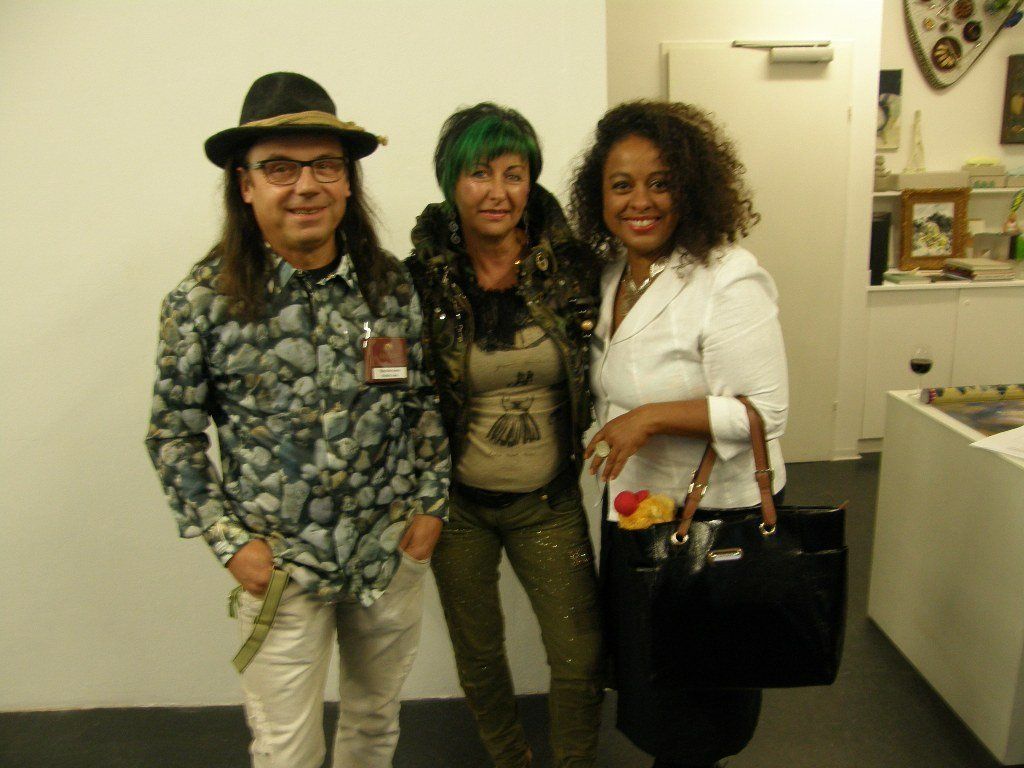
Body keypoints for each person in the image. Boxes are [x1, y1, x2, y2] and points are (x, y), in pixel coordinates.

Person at [145, 72, 450, 768]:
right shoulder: (201, 303)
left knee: (375, 727)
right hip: (280, 568)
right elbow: (173, 436)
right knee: (286, 750)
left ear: (348, 182)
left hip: (387, 551)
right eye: (280, 168)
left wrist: (430, 508)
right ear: (245, 185)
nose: (306, 186)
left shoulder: (387, 285)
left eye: (325, 166)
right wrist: (231, 543)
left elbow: (422, 401)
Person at [569, 100, 789, 768]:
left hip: (713, 519)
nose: (640, 201)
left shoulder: (727, 275)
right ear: (600, 196)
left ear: (690, 188)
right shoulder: (613, 276)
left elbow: (762, 414)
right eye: (622, 185)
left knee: (699, 699)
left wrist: (651, 417)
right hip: (638, 514)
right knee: (651, 685)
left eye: (660, 183)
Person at [406, 103, 603, 768]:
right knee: (480, 653)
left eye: (514, 174)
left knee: (579, 655)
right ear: (450, 182)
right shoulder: (420, 280)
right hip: (458, 507)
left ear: (531, 181)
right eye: (479, 174)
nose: (498, 192)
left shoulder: (574, 269)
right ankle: (509, 758)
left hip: (548, 501)